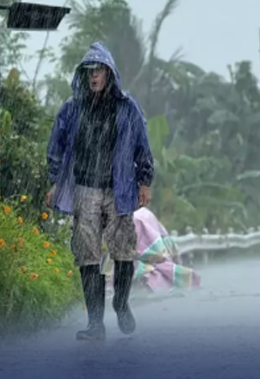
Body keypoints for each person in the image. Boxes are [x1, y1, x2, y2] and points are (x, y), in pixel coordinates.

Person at [45, 42, 155, 341]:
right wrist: (56, 181)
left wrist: (144, 181)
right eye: (89, 71)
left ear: (109, 73)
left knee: (123, 249)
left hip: (119, 188)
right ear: (83, 74)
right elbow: (55, 148)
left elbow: (142, 145)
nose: (94, 75)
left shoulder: (127, 107)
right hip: (85, 188)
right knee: (87, 253)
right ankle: (95, 323)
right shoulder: (72, 109)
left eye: (99, 70)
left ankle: (121, 304)